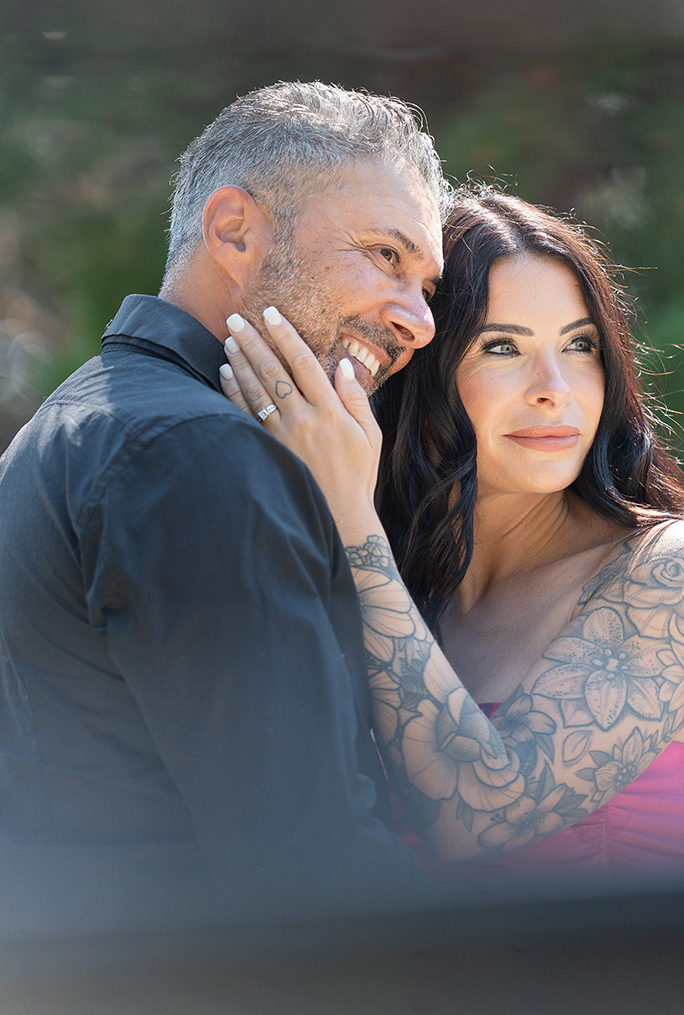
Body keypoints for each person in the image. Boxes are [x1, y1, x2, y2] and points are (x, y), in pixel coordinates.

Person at [0, 80, 447, 927]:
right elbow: (314, 874)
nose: (419, 320)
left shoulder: (82, 419)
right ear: (234, 229)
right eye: (386, 255)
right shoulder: (195, 455)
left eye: (426, 281)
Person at [221, 188, 684, 887]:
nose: (555, 387)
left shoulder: (673, 568)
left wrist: (348, 511)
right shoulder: (403, 588)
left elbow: (479, 814)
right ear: (425, 367)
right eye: (502, 346)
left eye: (580, 345)